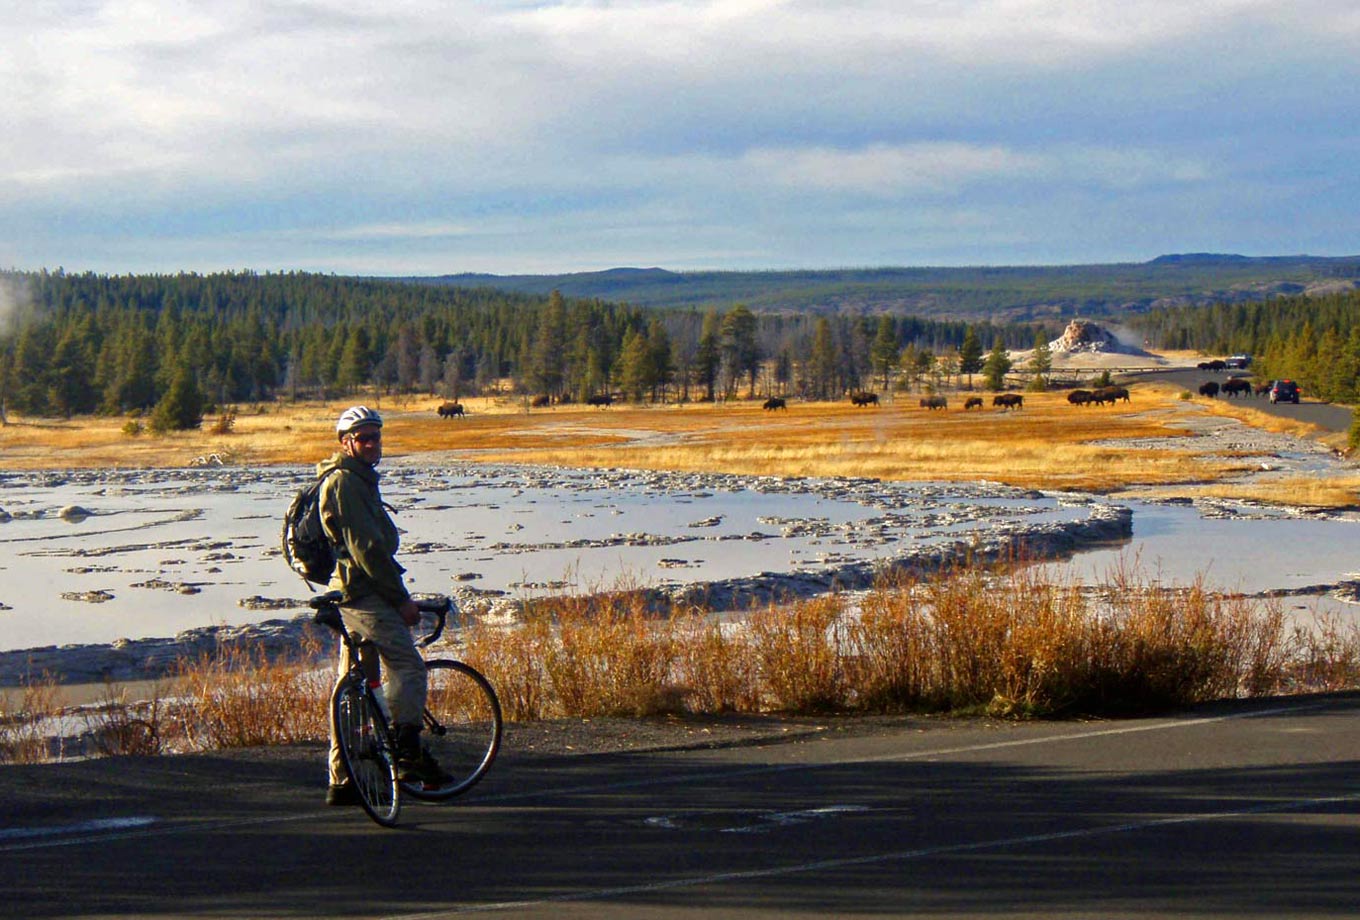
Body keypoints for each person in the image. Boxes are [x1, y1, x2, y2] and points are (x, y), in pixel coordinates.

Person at [319, 405, 449, 805]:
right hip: (364, 596)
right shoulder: (345, 483)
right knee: (407, 666)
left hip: (351, 593)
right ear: (346, 443)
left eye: (376, 436)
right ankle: (407, 751)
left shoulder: (357, 479)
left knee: (353, 690)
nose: (373, 443)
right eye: (364, 437)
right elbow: (368, 551)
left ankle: (343, 782)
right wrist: (401, 600)